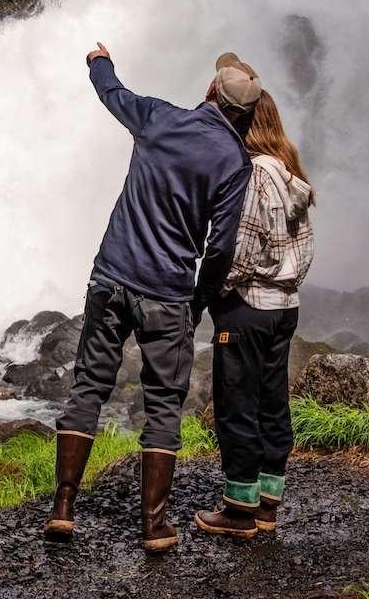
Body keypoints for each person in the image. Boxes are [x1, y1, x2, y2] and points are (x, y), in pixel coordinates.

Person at [44, 42, 260, 553]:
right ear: (246, 113)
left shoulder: (159, 118)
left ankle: (63, 509)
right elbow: (221, 245)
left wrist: (100, 61)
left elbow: (111, 93)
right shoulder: (234, 161)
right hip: (168, 294)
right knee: (164, 404)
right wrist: (199, 302)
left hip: (112, 276)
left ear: (211, 93)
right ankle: (154, 525)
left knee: (89, 388)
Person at [194, 89, 315, 539]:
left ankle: (239, 510)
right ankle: (267, 503)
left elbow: (238, 250)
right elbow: (304, 250)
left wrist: (215, 295)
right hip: (285, 307)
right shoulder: (289, 171)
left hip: (249, 306)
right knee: (272, 402)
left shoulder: (254, 174)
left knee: (236, 406)